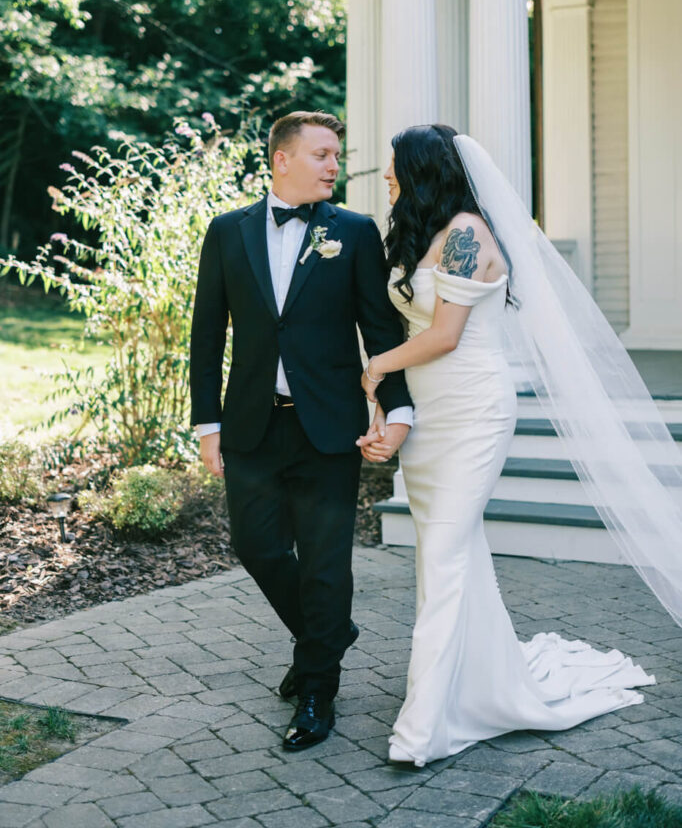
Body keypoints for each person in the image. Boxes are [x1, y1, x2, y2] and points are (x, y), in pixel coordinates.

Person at [356, 123, 682, 768]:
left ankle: (423, 726)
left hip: (474, 408)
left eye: (394, 168)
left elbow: (445, 334)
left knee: (444, 554)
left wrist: (374, 368)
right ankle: (479, 685)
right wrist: (388, 411)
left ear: (425, 171)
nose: (386, 177)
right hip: (431, 413)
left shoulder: (468, 235)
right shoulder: (424, 236)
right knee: (451, 551)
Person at [190, 110, 412, 752]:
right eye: (321, 155)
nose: (333, 166)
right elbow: (207, 337)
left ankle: (319, 689)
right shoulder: (227, 233)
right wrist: (208, 424)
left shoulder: (355, 233)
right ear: (281, 159)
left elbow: (380, 331)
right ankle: (329, 635)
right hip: (251, 426)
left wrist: (397, 412)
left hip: (329, 428)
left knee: (323, 565)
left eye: (336, 155)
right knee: (256, 549)